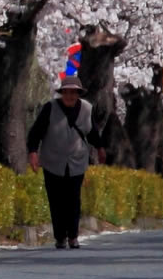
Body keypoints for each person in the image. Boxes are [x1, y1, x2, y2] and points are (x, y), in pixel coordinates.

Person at [27, 75, 106, 249]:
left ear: (79, 94)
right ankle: (60, 237)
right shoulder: (50, 108)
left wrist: (100, 148)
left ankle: (73, 236)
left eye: (73, 92)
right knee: (56, 200)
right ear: (61, 93)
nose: (69, 96)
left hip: (77, 161)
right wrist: (33, 153)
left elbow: (92, 132)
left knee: (73, 200)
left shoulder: (86, 109)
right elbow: (36, 132)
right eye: (66, 92)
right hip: (52, 161)